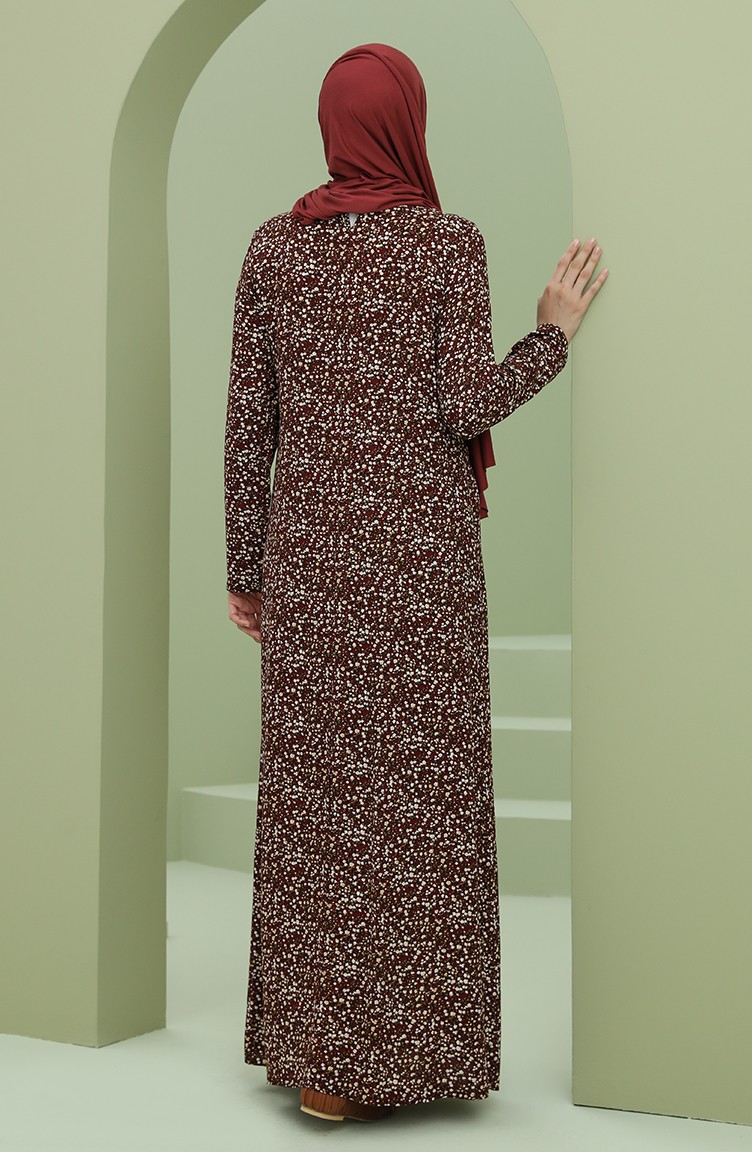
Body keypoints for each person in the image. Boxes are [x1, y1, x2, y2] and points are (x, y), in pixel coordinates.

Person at [224, 42, 608, 1125]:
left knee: (318, 807)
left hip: (311, 563)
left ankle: (323, 1068)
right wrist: (551, 335)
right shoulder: (447, 244)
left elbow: (249, 423)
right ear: (409, 123)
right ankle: (415, 1059)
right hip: (421, 572)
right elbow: (461, 407)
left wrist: (246, 568)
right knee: (421, 807)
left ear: (331, 125)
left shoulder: (272, 249)